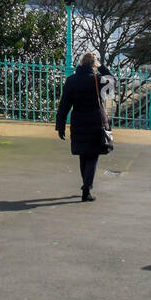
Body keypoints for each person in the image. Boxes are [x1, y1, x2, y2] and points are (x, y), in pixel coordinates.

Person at [55, 52, 113, 202]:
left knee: (83, 155)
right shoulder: (98, 79)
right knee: (93, 155)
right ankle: (86, 188)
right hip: (95, 121)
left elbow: (64, 105)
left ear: (80, 63)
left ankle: (85, 185)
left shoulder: (71, 80)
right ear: (94, 64)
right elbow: (113, 82)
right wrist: (101, 67)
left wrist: (60, 125)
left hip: (78, 121)